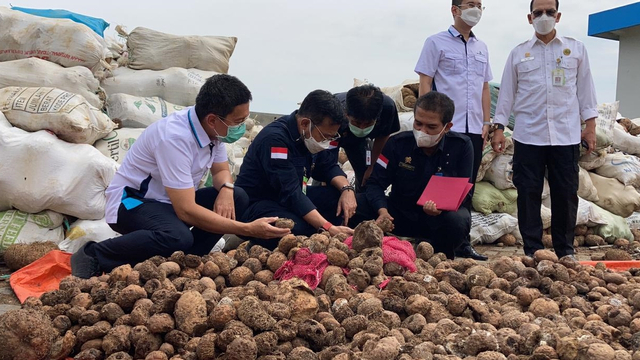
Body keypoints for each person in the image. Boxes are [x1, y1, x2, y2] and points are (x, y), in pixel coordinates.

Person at [71, 75, 291, 278]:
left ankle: (186, 262)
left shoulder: (213, 132)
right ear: (213, 119)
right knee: (177, 236)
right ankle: (94, 254)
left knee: (238, 197)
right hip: (131, 202)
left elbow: (221, 170)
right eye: (237, 121)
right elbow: (185, 210)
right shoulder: (175, 138)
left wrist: (226, 189)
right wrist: (247, 228)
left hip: (168, 204)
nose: (241, 127)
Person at [492, 0, 598, 258]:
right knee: (528, 193)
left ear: (558, 16)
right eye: (538, 12)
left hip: (566, 135)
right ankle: (533, 250)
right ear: (530, 18)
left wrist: (590, 127)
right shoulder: (518, 53)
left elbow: (586, 92)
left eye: (549, 12)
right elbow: (506, 94)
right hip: (528, 135)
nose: (544, 16)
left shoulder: (576, 49)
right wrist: (498, 128)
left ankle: (565, 251)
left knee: (565, 194)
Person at [351, 91, 473, 259]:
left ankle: (440, 257)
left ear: (447, 127)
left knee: (458, 219)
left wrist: (440, 209)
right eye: (418, 123)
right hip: (398, 215)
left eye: (431, 127)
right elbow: (375, 184)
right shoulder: (397, 143)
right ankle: (363, 248)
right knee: (355, 203)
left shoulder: (461, 147)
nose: (422, 131)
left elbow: (464, 192)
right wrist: (382, 211)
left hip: (436, 220)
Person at [414, 0, 492, 260]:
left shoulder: (482, 48)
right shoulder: (435, 42)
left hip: (473, 130)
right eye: (471, 4)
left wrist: (486, 122)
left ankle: (462, 242)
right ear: (455, 10)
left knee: (466, 188)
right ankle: (428, 240)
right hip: (447, 128)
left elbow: (484, 88)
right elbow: (425, 81)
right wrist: (426, 120)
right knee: (435, 184)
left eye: (480, 5)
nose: (477, 9)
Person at [235, 90, 356, 249]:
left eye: (331, 138)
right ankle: (256, 245)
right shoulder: (275, 139)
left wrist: (347, 190)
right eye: (325, 136)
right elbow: (291, 192)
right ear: (305, 123)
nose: (327, 142)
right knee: (299, 230)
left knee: (337, 199)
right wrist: (327, 227)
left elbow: (326, 166)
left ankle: (330, 237)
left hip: (292, 197)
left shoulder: (309, 136)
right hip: (258, 204)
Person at [334, 85, 400, 192]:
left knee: (367, 174)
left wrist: (372, 166)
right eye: (357, 123)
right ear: (346, 114)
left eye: (368, 123)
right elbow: (326, 151)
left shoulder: (388, 108)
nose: (362, 128)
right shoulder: (334, 111)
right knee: (324, 173)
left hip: (363, 142)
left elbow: (383, 136)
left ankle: (361, 199)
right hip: (336, 137)